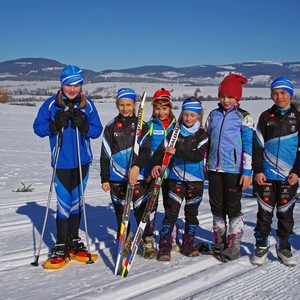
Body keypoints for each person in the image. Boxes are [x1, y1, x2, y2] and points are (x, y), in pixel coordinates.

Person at [33, 65, 103, 261]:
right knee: (63, 204)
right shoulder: (50, 105)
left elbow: (97, 130)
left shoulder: (87, 106)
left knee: (77, 203)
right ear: (61, 85)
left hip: (83, 162)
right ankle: (61, 243)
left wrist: (85, 126)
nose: (72, 89)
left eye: (76, 85)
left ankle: (73, 239)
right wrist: (54, 126)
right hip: (61, 163)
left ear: (81, 86)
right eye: (68, 85)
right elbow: (37, 128)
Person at [151, 98, 208, 261]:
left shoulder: (202, 134)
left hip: (195, 181)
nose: (188, 118)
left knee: (191, 214)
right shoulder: (174, 133)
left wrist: (176, 152)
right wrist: (156, 164)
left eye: (192, 115)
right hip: (176, 178)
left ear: (198, 115)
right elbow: (160, 151)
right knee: (171, 213)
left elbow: (197, 156)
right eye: (185, 114)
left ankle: (189, 243)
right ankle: (165, 245)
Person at [205, 73, 254, 261]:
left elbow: (248, 146)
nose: (226, 100)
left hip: (234, 170)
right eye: (223, 96)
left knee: (232, 208)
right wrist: (205, 164)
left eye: (230, 97)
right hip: (214, 169)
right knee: (216, 207)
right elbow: (207, 141)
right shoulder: (213, 115)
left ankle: (234, 246)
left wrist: (247, 171)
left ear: (237, 98)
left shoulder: (244, 117)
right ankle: (219, 241)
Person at [251, 77, 299, 267]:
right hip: (267, 176)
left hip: (289, 176)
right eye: (275, 93)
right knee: (264, 214)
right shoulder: (265, 116)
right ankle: (261, 246)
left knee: (285, 214)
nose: (278, 97)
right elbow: (257, 145)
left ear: (290, 94)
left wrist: (298, 171)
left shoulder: (299, 117)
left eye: (282, 93)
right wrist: (258, 170)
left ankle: (284, 247)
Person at [100, 88, 151, 258]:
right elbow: (105, 154)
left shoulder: (142, 125)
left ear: (135, 105)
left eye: (128, 104)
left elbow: (145, 150)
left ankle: (147, 239)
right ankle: (125, 240)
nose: (125, 108)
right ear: (117, 105)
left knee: (141, 210)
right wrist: (105, 178)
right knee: (121, 212)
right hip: (117, 178)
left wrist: (137, 167)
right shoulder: (110, 127)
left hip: (138, 176)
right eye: (121, 105)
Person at [143, 88, 176, 259]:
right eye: (157, 108)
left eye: (164, 108)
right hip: (153, 172)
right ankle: (148, 239)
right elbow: (144, 149)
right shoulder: (149, 126)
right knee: (151, 207)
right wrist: (147, 170)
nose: (161, 112)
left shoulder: (177, 126)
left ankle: (169, 237)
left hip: (172, 173)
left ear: (170, 108)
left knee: (172, 207)